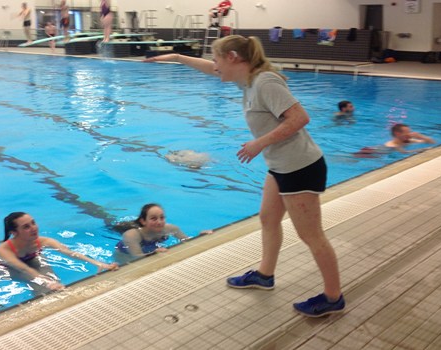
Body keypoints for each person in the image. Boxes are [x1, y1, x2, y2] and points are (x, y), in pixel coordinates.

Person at [144, 35, 345, 317]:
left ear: (234, 58)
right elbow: (209, 69)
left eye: (217, 60)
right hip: (281, 165)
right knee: (268, 218)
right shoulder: (248, 80)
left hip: (300, 167)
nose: (215, 67)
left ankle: (333, 297)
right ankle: (265, 274)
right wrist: (177, 58)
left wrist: (259, 143)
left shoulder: (265, 82)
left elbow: (300, 118)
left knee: (311, 235)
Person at [0, 212, 118, 292]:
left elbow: (70, 252)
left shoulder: (43, 241)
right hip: (8, 268)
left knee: (56, 285)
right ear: (14, 233)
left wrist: (99, 264)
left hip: (32, 259)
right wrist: (47, 282)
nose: (33, 228)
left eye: (33, 223)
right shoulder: (4, 249)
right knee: (40, 285)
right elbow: (23, 269)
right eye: (26, 227)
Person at [114, 203, 212, 262]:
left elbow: (187, 242)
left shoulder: (171, 229)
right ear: (143, 221)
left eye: (162, 217)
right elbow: (136, 257)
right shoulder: (132, 235)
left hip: (150, 249)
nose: (159, 222)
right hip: (125, 255)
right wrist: (152, 254)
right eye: (154, 219)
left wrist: (200, 237)